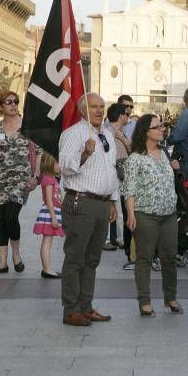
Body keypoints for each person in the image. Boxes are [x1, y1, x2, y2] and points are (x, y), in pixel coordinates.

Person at [58, 93, 119, 326]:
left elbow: (110, 169)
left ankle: (86, 305)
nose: (99, 111)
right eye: (94, 107)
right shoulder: (73, 134)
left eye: (102, 107)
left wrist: (113, 200)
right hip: (80, 202)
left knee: (92, 259)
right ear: (83, 110)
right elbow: (65, 168)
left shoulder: (107, 135)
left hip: (102, 203)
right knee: (76, 257)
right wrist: (85, 153)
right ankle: (71, 308)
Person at [123, 114, 182, 318]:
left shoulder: (164, 152)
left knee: (169, 258)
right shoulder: (135, 158)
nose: (161, 130)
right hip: (146, 215)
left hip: (169, 215)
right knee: (144, 259)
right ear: (145, 132)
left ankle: (171, 297)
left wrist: (173, 168)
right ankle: (145, 302)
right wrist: (131, 214)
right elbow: (129, 189)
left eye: (162, 126)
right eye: (157, 127)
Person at [0, 90, 38, 274]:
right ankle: (2, 262)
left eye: (16, 101)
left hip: (21, 180)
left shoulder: (28, 126)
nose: (13, 104)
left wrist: (35, 177)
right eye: (8, 102)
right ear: (0, 107)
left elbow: (39, 153)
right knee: (1, 219)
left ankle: (16, 254)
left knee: (11, 216)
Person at [104, 103, 131, 252]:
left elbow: (131, 149)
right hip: (112, 173)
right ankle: (107, 238)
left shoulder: (120, 131)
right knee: (111, 206)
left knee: (120, 208)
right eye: (126, 114)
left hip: (121, 174)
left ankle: (120, 238)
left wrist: (123, 138)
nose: (128, 117)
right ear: (120, 115)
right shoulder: (109, 131)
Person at [33, 153, 64, 278]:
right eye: (57, 163)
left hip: (51, 212)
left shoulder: (51, 178)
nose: (60, 166)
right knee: (47, 242)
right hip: (49, 213)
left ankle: (47, 268)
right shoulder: (48, 179)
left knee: (48, 242)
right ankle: (47, 269)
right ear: (51, 164)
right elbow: (49, 200)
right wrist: (54, 218)